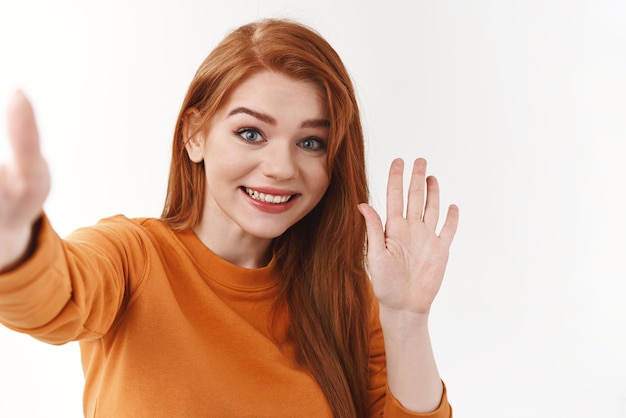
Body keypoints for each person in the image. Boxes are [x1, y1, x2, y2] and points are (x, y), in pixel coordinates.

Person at [0, 19, 459, 417]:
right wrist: (14, 242)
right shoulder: (132, 256)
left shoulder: (346, 296)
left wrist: (406, 318)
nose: (281, 167)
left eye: (311, 142)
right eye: (251, 133)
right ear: (194, 136)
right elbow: (55, 301)